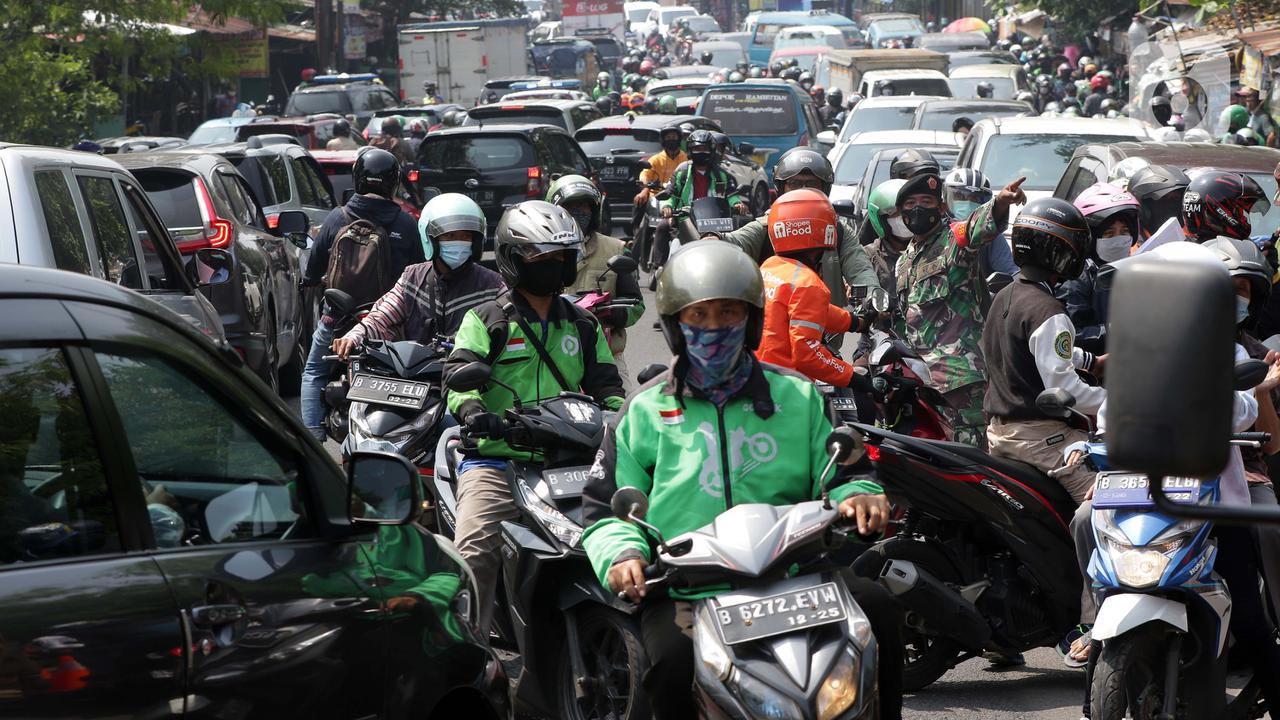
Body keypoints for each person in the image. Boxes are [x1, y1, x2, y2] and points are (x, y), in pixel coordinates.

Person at [580, 240, 904, 720]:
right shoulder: (644, 410)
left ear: (751, 320)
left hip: (797, 573)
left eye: (728, 313)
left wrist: (860, 496)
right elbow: (605, 508)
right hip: (689, 586)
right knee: (668, 666)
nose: (714, 327)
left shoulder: (797, 396)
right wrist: (624, 554)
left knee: (878, 613)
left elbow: (848, 472)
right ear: (675, 325)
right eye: (699, 315)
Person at [445, 201, 625, 634]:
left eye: (561, 257)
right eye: (541, 257)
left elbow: (608, 387)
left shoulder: (582, 324)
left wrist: (620, 418)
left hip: (572, 458)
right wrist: (474, 412)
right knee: (472, 552)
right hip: (498, 459)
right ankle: (469, 652)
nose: (553, 265)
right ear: (513, 260)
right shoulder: (486, 320)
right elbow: (458, 375)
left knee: (629, 531)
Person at [892, 170, 1029, 448]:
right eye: (910, 204)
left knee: (972, 456)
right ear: (900, 212)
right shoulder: (904, 261)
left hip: (960, 377)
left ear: (941, 207)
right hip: (923, 378)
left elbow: (977, 229)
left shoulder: (953, 240)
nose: (918, 209)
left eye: (926, 202)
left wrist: (1000, 202)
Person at [981, 197, 1104, 502]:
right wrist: (1119, 403)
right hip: (1042, 439)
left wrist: (1093, 362)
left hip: (1001, 434)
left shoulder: (1006, 295)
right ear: (1061, 252)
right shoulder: (1049, 312)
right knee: (1108, 501)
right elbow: (1066, 390)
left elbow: (1028, 349)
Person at [300, 148, 425, 440]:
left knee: (314, 371)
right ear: (393, 183)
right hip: (388, 321)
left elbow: (313, 267)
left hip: (337, 318)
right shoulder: (405, 223)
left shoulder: (337, 218)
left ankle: (311, 439)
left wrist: (310, 281)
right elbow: (419, 273)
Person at [721, 148, 882, 328]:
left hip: (827, 332)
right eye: (794, 183)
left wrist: (873, 297)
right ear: (781, 188)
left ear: (825, 188)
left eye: (812, 183)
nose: (803, 190)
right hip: (771, 332)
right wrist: (713, 239)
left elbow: (860, 269)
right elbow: (735, 242)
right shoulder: (766, 226)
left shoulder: (837, 230)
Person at [330, 194, 504, 359]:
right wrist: (354, 336)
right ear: (430, 239)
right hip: (417, 374)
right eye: (450, 236)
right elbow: (381, 318)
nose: (459, 242)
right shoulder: (412, 279)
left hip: (473, 375)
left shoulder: (494, 286)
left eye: (466, 236)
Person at [757, 189, 881, 385]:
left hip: (758, 374)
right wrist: (853, 378)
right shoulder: (808, 283)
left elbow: (809, 311)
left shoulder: (769, 268)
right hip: (787, 387)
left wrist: (854, 322)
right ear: (826, 231)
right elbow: (807, 354)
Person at [547, 175, 645, 385]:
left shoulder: (615, 249)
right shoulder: (540, 252)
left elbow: (636, 305)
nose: (577, 212)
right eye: (570, 206)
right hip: (550, 355)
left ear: (594, 211)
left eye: (584, 206)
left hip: (605, 356)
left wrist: (610, 311)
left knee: (623, 404)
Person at [1058, 182, 1142, 354]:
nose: (1118, 239)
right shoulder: (1078, 278)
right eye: (1109, 233)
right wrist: (1115, 329)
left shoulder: (1136, 268)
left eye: (1124, 231)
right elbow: (1072, 334)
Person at [654, 130, 747, 266]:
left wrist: (737, 203)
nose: (701, 152)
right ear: (690, 150)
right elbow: (671, 192)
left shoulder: (721, 175)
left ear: (712, 150)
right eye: (697, 149)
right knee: (662, 226)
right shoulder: (682, 172)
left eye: (705, 149)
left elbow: (731, 195)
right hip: (685, 219)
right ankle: (659, 268)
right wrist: (667, 207)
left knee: (743, 226)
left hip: (716, 222)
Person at [634, 122, 687, 243]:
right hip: (656, 198)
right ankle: (636, 241)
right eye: (668, 137)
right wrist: (645, 183)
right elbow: (645, 174)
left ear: (679, 139)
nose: (671, 140)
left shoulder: (686, 159)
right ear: (663, 140)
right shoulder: (656, 159)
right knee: (643, 227)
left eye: (674, 137)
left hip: (679, 197)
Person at [1181, 170, 1268, 242]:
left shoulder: (1235, 247)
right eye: (1239, 211)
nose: (1244, 218)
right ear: (1220, 208)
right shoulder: (1198, 252)